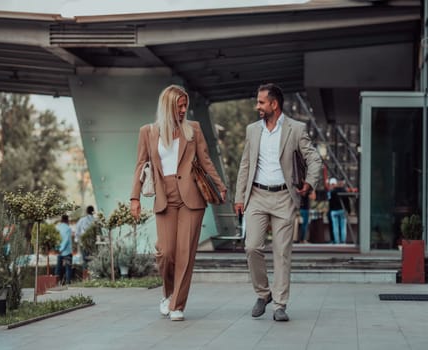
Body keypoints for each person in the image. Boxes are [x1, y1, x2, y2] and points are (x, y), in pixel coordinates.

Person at [130, 84, 227, 322]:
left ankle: (177, 304)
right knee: (166, 252)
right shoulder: (148, 132)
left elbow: (205, 161)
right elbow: (140, 165)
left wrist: (221, 186)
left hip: (192, 198)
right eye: (179, 106)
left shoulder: (193, 129)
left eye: (186, 105)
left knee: (186, 253)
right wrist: (135, 197)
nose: (184, 110)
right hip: (165, 197)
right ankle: (167, 293)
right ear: (167, 106)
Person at [234, 83, 322, 322]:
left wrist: (310, 183)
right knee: (252, 247)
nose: (257, 106)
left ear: (274, 104)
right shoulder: (253, 130)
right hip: (257, 197)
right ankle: (263, 294)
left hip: (285, 197)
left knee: (281, 252)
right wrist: (239, 197)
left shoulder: (296, 128)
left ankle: (280, 304)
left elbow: (314, 158)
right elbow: (245, 165)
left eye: (261, 102)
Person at [328, 178, 350, 244]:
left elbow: (330, 202)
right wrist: (349, 210)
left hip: (334, 211)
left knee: (335, 227)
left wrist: (331, 210)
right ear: (343, 183)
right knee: (343, 226)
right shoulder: (345, 191)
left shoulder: (333, 191)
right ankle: (343, 241)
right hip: (342, 210)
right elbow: (347, 202)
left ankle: (337, 241)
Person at [75, 205, 95, 270]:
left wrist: (77, 241)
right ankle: (93, 275)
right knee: (93, 259)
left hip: (83, 243)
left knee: (85, 260)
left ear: (86, 211)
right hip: (93, 244)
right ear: (93, 212)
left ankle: (85, 276)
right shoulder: (95, 220)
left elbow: (77, 231)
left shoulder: (82, 220)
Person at [55, 214, 73, 285]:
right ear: (67, 220)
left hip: (59, 252)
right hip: (67, 252)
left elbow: (56, 239)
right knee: (68, 268)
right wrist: (62, 248)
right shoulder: (68, 228)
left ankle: (57, 283)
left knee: (58, 268)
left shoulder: (57, 227)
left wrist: (58, 249)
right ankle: (68, 283)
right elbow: (66, 240)